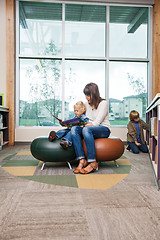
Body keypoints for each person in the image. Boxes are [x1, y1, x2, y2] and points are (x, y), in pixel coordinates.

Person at [71, 82, 111, 174]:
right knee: (74, 129)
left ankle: (92, 162)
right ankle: (82, 160)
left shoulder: (103, 103)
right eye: (85, 95)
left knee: (86, 129)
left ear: (94, 94)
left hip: (103, 129)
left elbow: (97, 123)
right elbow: (86, 120)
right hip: (89, 128)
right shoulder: (86, 104)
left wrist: (86, 125)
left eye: (88, 95)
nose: (86, 97)